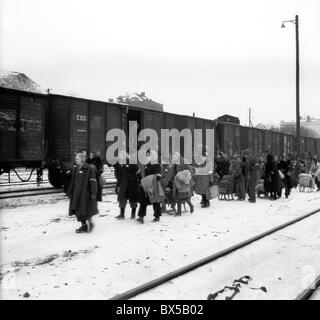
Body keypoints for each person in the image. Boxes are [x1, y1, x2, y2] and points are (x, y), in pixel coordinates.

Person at [68, 153, 98, 233]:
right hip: (76, 193)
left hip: (85, 193)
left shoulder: (89, 168)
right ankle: (83, 226)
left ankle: (90, 223)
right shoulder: (76, 168)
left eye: (77, 159)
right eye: (76, 158)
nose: (75, 160)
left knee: (85, 210)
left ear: (82, 159)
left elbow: (93, 181)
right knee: (78, 211)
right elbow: (73, 181)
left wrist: (93, 193)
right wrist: (70, 191)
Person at [136, 151, 165, 223]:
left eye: (149, 155)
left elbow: (158, 176)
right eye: (147, 156)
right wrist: (139, 175)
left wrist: (152, 178)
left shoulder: (157, 165)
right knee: (143, 200)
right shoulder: (147, 165)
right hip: (147, 185)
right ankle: (141, 217)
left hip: (154, 185)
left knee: (155, 201)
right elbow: (145, 175)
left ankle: (157, 217)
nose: (148, 157)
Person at [114, 151, 140, 219]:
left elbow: (137, 172)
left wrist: (139, 181)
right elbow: (118, 174)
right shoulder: (119, 164)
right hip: (123, 183)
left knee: (133, 199)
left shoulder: (132, 162)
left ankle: (133, 214)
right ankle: (122, 214)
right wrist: (118, 184)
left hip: (132, 183)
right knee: (122, 198)